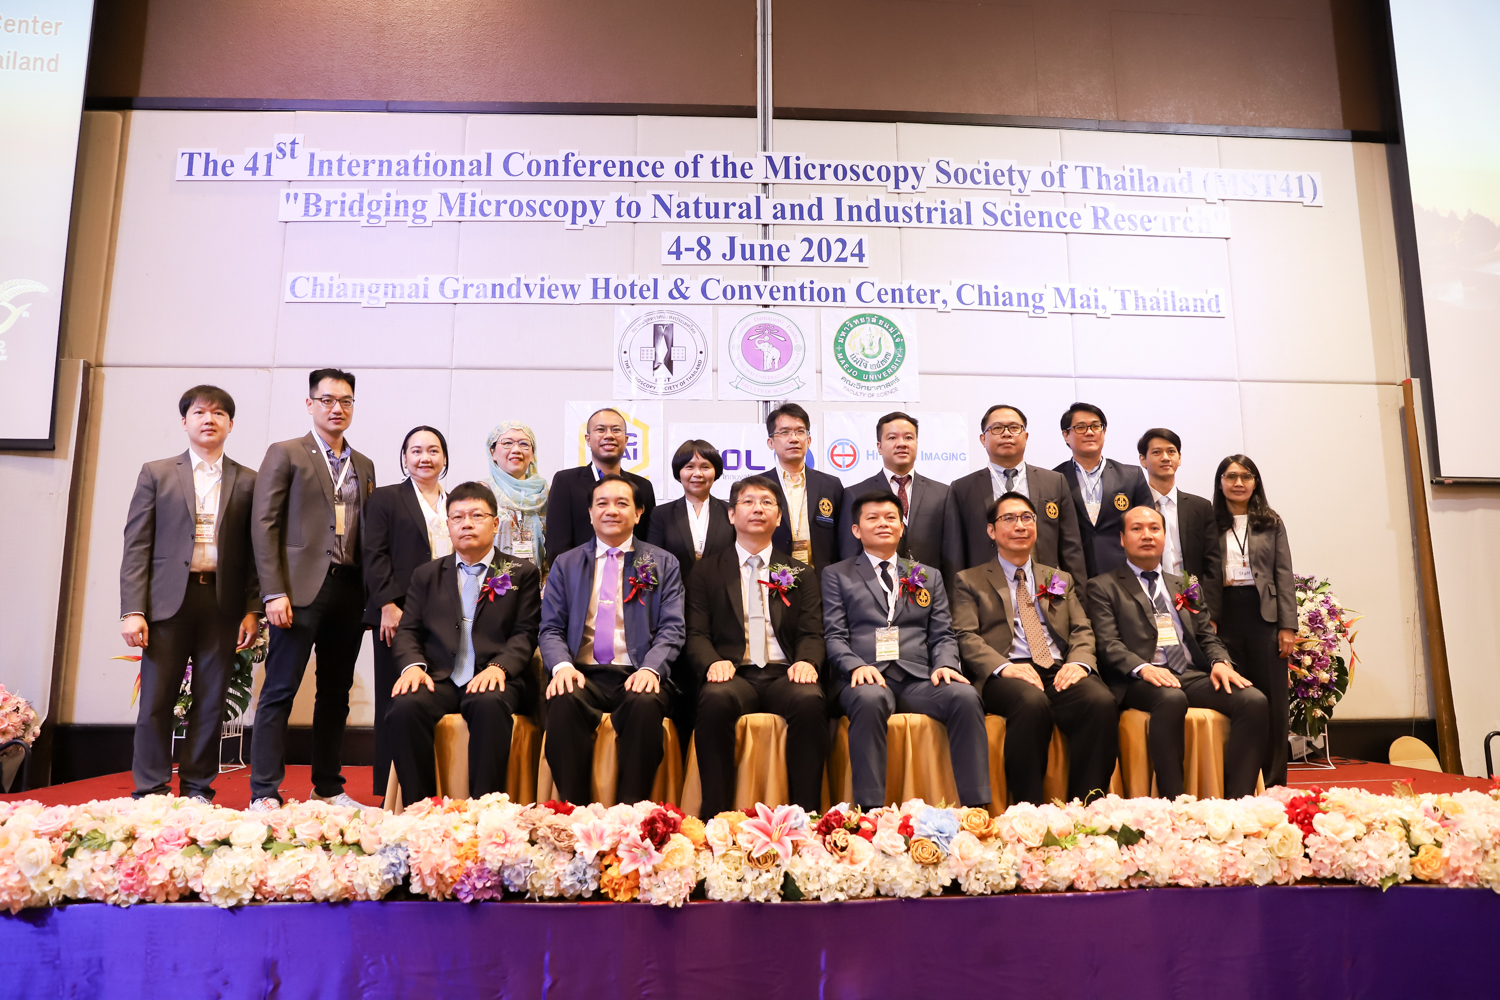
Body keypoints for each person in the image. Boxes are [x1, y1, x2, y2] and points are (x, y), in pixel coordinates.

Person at [120, 386, 261, 801]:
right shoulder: (157, 473)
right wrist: (133, 609)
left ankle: (198, 788)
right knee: (156, 700)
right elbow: (137, 545)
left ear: (230, 424)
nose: (208, 420)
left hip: (222, 603)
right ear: (184, 422)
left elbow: (257, 553)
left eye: (218, 414)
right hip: (166, 604)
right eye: (199, 412)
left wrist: (252, 609)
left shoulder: (249, 481)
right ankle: (151, 789)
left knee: (211, 701)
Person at [248, 368, 377, 811]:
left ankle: (328, 787)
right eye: (327, 400)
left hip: (349, 590)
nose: (337, 408)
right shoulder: (286, 453)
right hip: (297, 592)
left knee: (336, 695)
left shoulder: (363, 464)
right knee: (279, 690)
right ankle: (264, 791)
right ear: (310, 404)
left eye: (345, 401)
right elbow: (263, 526)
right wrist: (272, 592)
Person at [824, 491, 990, 810]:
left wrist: (945, 664)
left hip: (918, 679)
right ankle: (871, 812)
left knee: (965, 696)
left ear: (902, 527)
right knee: (869, 700)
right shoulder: (837, 575)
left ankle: (977, 809)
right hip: (864, 678)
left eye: (891, 518)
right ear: (856, 530)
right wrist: (855, 666)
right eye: (873, 518)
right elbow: (834, 635)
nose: (883, 524)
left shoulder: (927, 575)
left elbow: (942, 634)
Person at [1086, 506, 1267, 799]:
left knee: (1253, 701)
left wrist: (1220, 662)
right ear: (1122, 538)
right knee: (1171, 698)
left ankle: (1237, 801)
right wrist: (1143, 668)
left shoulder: (1184, 584)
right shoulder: (1102, 586)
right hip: (1139, 679)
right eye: (1137, 529)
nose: (1147, 535)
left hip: (1188, 673)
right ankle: (1174, 802)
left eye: (1154, 528)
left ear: (1164, 536)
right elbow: (1108, 644)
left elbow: (1206, 635)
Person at [951, 492, 1117, 805]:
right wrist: (1003, 667)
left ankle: (1086, 807)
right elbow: (965, 634)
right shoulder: (969, 580)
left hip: (1057, 668)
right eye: (1009, 519)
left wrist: (1079, 663)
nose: (1020, 526)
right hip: (1007, 672)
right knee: (1031, 703)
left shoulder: (1058, 578)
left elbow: (1082, 628)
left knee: (1100, 701)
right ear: (991, 531)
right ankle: (1029, 809)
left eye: (1027, 518)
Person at [387, 482, 541, 808]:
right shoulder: (426, 575)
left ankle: (484, 810)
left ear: (495, 523)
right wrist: (413, 666)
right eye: (457, 517)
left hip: (496, 676)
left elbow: (526, 632)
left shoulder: (521, 572)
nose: (466, 524)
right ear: (448, 525)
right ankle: (421, 810)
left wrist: (500, 667)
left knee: (488, 703)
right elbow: (408, 631)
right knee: (404, 706)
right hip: (442, 677)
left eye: (476, 516)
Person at [685, 475, 826, 817]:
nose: (757, 509)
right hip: (734, 673)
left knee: (810, 700)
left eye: (766, 502)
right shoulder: (706, 572)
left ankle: (806, 817)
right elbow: (696, 633)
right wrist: (711, 662)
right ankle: (716, 816)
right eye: (748, 502)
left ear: (779, 517)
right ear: (731, 514)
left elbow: (811, 632)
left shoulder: (799, 572)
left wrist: (807, 661)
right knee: (714, 698)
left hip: (784, 672)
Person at [539, 474, 686, 804]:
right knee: (563, 700)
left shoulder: (662, 563)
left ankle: (631, 811)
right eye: (602, 503)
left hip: (637, 671)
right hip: (582, 673)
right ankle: (574, 810)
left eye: (622, 503)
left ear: (638, 513)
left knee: (645, 703)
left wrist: (650, 669)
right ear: (590, 513)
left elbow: (672, 628)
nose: (612, 510)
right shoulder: (566, 564)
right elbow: (550, 628)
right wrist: (562, 666)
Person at [361, 426, 452, 797]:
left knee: (430, 694)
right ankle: (388, 788)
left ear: (444, 457)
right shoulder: (386, 498)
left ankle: (436, 781)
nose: (424, 458)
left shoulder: (454, 501)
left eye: (433, 450)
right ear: (404, 457)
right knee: (394, 697)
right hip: (397, 614)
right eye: (416, 451)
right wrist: (387, 604)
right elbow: (374, 554)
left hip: (445, 617)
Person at [1204, 454, 1297, 788]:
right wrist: (1207, 618)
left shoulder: (1270, 521)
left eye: (1246, 476)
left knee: (1273, 700)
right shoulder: (1209, 521)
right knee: (1236, 694)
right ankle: (1240, 780)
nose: (1238, 483)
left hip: (1264, 615)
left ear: (1255, 482)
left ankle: (1273, 782)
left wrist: (1287, 626)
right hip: (1224, 613)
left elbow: (1283, 573)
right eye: (1230, 476)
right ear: (1220, 483)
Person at [942, 404, 1084, 591]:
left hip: (1046, 591)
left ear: (1026, 436)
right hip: (985, 593)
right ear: (983, 439)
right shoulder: (963, 488)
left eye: (1014, 428)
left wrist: (1078, 597)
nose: (1006, 434)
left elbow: (1071, 547)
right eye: (997, 428)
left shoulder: (1054, 482)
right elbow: (955, 553)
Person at [544, 407, 656, 566]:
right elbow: (556, 545)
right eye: (601, 430)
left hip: (630, 577)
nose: (609, 435)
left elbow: (648, 545)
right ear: (588, 439)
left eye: (616, 430)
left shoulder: (642, 487)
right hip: (579, 576)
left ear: (626, 439)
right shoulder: (566, 482)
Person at [1053, 402, 1152, 578]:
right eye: (1081, 427)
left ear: (1104, 431)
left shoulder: (1131, 475)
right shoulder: (1054, 479)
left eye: (1096, 426)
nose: (1090, 432)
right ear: (1066, 435)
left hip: (1126, 573)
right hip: (1075, 575)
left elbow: (1149, 525)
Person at [839, 410, 948, 568]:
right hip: (873, 582)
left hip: (930, 582)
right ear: (879, 447)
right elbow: (849, 555)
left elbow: (951, 552)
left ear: (917, 444)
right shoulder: (855, 494)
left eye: (908, 437)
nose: (901, 443)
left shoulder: (942, 494)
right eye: (892, 437)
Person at [763, 403, 844, 571]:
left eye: (800, 431)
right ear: (771, 442)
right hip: (772, 578)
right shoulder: (758, 486)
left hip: (821, 578)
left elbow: (842, 538)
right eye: (784, 432)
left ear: (809, 440)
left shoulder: (831, 485)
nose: (794, 438)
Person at [1137, 428, 1220, 589]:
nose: (1165, 458)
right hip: (1146, 594)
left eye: (1171, 451)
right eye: (1156, 452)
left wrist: (1208, 604)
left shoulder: (1200, 508)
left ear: (1179, 458)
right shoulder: (1135, 509)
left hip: (1191, 595)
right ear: (1143, 460)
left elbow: (1213, 564)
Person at [648, 439, 734, 575]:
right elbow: (654, 560)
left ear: (715, 471)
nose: (697, 474)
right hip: (675, 587)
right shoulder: (661, 514)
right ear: (679, 472)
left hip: (721, 587)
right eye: (689, 467)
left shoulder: (730, 512)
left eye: (705, 467)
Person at [486, 421, 548, 564]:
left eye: (524, 444)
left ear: (532, 454)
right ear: (492, 452)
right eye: (507, 443)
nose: (516, 450)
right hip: (493, 575)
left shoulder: (545, 492)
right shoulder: (481, 492)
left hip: (537, 576)